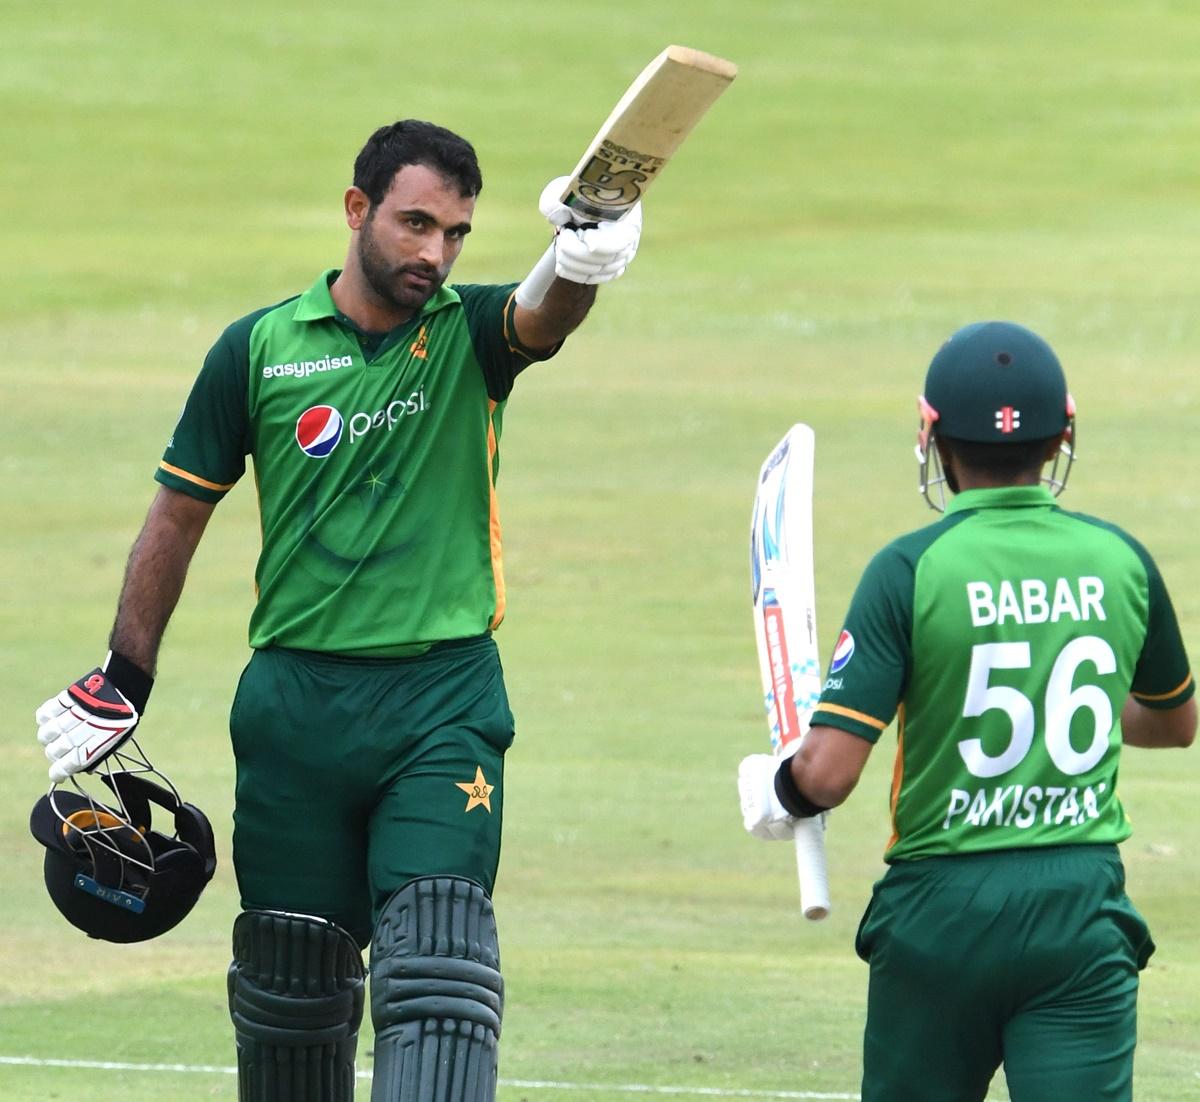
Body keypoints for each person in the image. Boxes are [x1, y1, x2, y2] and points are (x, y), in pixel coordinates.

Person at [34, 119, 644, 1102]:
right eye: (415, 224)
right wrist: (125, 672)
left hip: (440, 708)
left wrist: (583, 252)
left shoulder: (466, 337)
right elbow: (178, 510)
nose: (435, 254)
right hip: (294, 711)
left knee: (438, 962)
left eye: (455, 234)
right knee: (292, 988)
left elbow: (542, 315)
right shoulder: (259, 349)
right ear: (356, 211)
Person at [739, 321, 1195, 1102]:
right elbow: (1176, 720)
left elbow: (829, 774)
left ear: (931, 434)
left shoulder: (910, 569)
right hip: (1079, 907)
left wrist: (779, 790)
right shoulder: (1122, 559)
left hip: (941, 914)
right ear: (1064, 437)